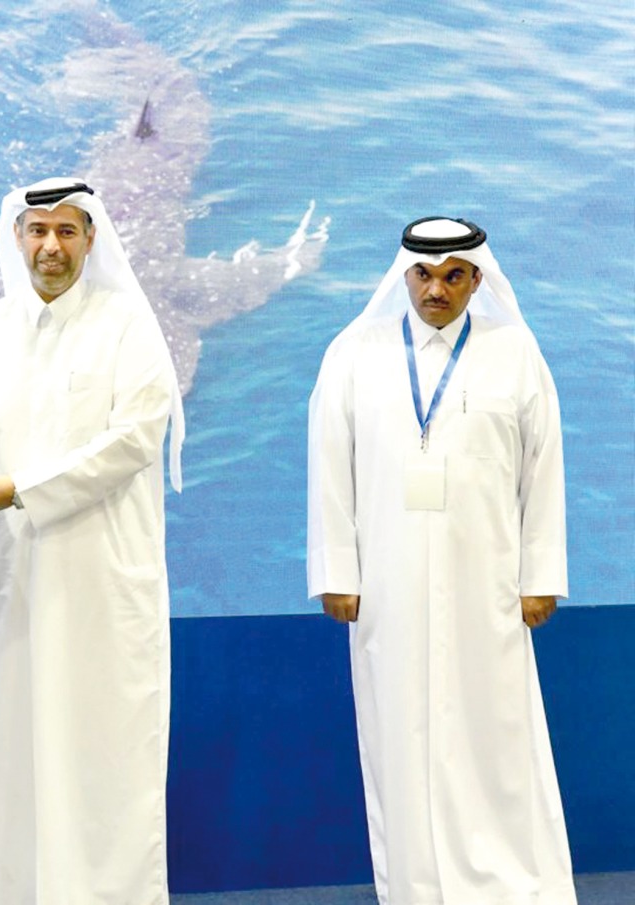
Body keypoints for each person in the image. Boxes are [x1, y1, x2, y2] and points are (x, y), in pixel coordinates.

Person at [307, 216, 575, 904]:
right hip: (386, 582)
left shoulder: (514, 351)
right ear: (404, 275)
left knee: (496, 735)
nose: (437, 289)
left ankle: (511, 883)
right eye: (424, 274)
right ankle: (417, 885)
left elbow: (543, 468)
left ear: (477, 278)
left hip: (487, 579)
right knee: (398, 734)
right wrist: (337, 572)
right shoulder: (354, 352)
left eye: (454, 275)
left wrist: (540, 576)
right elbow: (330, 466)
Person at [0, 177, 185, 904]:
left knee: (102, 757)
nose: (50, 246)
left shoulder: (129, 328)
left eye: (66, 231)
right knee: (3, 752)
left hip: (98, 587)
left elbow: (133, 441)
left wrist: (23, 489)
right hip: (0, 584)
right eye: (37, 230)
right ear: (17, 237)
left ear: (90, 238)